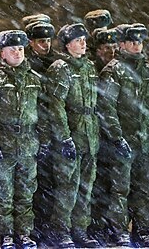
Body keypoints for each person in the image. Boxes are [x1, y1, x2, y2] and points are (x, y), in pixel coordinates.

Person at [96, 24, 149, 247]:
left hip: (144, 139)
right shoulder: (113, 71)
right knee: (120, 189)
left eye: (139, 42)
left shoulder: (147, 70)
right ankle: (119, 230)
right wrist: (116, 136)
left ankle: (141, 230)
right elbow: (107, 107)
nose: (137, 46)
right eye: (132, 42)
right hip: (123, 139)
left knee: (143, 189)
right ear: (121, 44)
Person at [0, 30, 41, 249]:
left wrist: (42, 141)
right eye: (12, 49)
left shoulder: (34, 78)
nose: (17, 53)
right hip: (4, 142)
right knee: (3, 193)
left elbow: (42, 113)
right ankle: (6, 234)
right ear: (2, 53)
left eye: (21, 49)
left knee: (26, 192)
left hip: (28, 143)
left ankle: (24, 233)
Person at [45, 23, 100, 248]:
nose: (83, 43)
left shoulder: (89, 66)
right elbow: (56, 106)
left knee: (86, 187)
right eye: (78, 40)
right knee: (68, 187)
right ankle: (61, 231)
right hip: (72, 132)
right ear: (67, 45)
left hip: (90, 134)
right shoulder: (60, 69)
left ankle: (80, 230)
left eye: (84, 40)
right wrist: (64, 137)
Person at [22, 19, 58, 245]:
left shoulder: (58, 62)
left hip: (55, 127)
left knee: (54, 181)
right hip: (34, 128)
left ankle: (50, 226)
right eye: (41, 41)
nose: (46, 45)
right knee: (35, 182)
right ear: (31, 43)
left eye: (48, 40)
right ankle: (35, 227)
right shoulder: (26, 64)